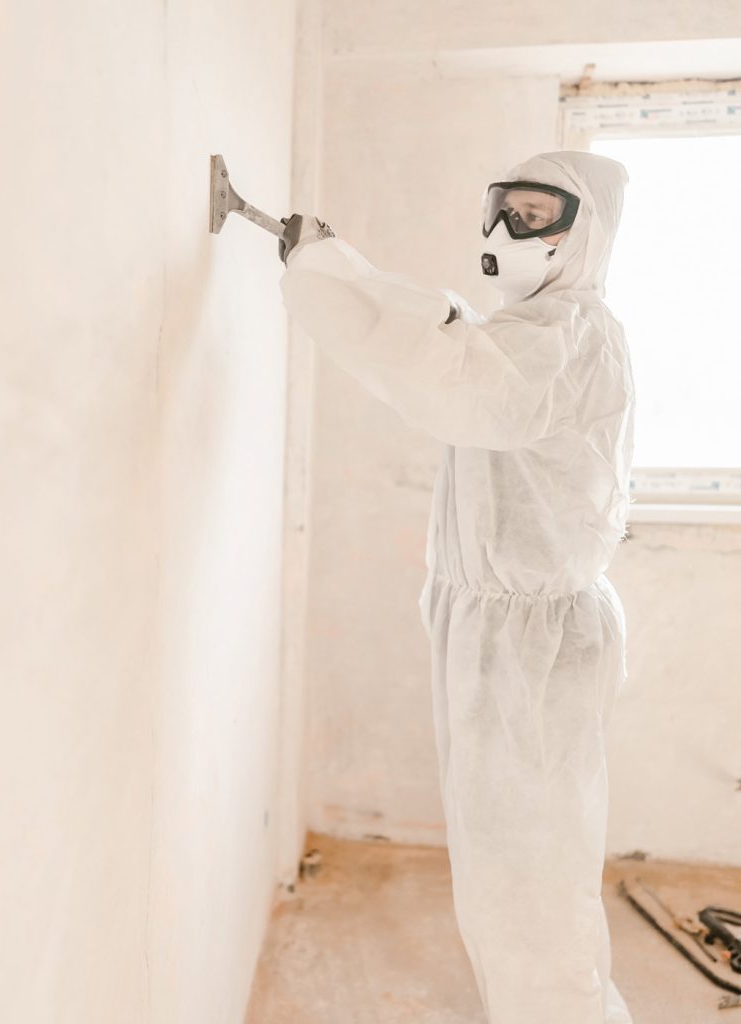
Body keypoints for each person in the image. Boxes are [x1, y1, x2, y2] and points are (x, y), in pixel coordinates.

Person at [279, 151, 634, 1024]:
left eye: (535, 213)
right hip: (507, 633)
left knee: (530, 874)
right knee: (511, 863)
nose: (509, 231)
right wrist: (341, 271)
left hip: (532, 643)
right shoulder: (543, 329)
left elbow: (457, 372)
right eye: (501, 209)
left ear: (585, 230)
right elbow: (465, 347)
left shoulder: (571, 332)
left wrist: (337, 272)